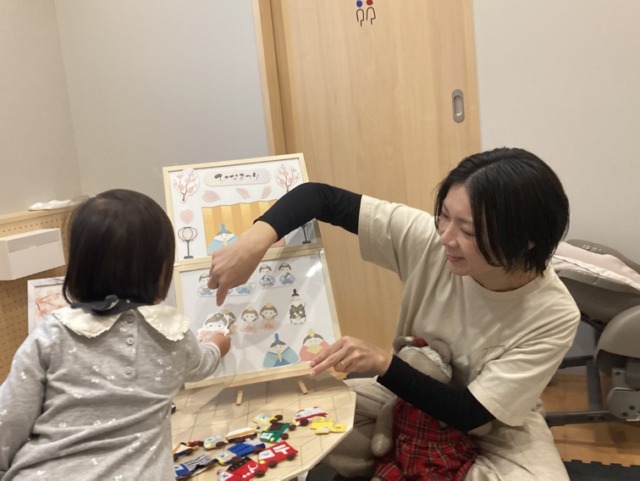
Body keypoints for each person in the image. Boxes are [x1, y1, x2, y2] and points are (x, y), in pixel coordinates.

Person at [207, 147, 581, 480]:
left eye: (467, 231)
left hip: (493, 428)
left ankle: (404, 463)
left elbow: (471, 414)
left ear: (526, 240)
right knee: (301, 416)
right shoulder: (431, 240)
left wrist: (384, 364)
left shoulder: (554, 313)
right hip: (405, 403)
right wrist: (253, 242)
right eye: (444, 216)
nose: (446, 237)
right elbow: (319, 197)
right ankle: (411, 460)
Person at [0, 189, 231, 481]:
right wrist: (217, 344)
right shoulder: (171, 333)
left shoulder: (52, 332)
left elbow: (9, 419)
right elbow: (201, 365)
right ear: (161, 271)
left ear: (78, 267)